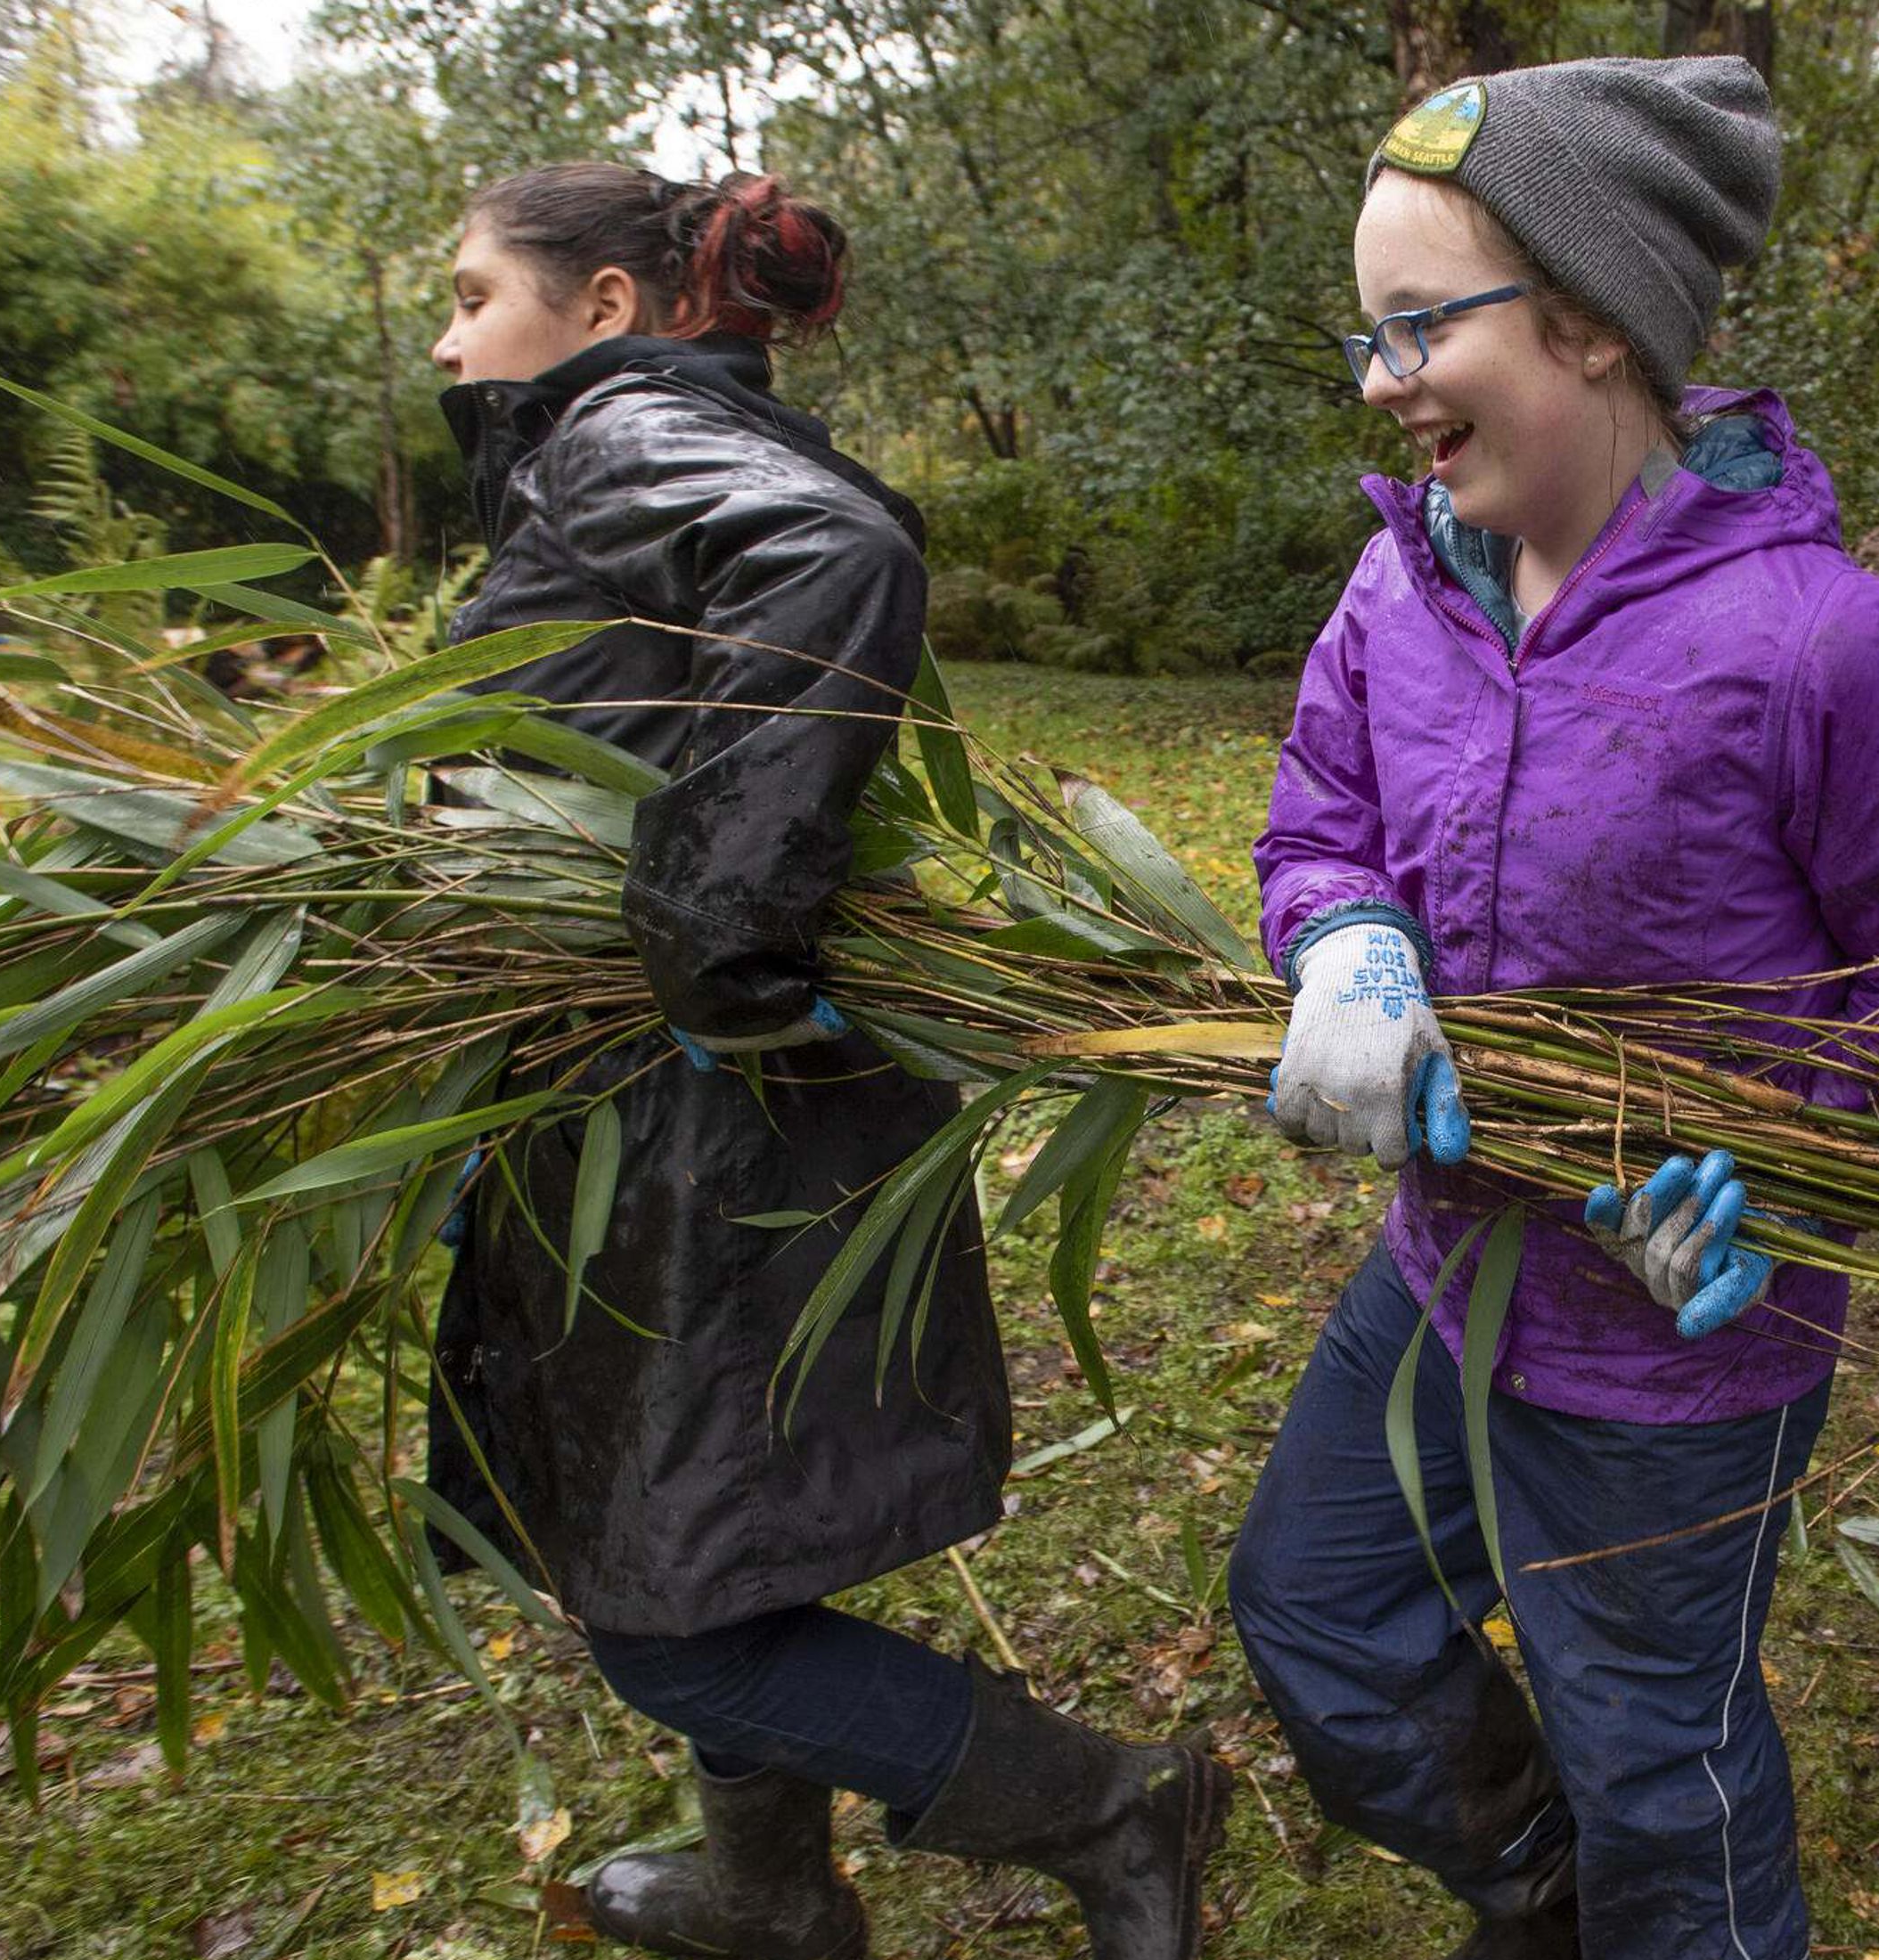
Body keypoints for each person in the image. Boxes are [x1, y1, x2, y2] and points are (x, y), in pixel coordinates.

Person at [1225, 56, 1879, 1960]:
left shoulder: (1823, 644)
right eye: (1369, 332)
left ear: (1590, 323)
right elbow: (1316, 821)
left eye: (1419, 325)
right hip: (1440, 1274)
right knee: (1314, 1607)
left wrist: (1775, 1157)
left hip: (1675, 1351)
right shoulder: (1395, 586)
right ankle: (1543, 1893)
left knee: (1656, 1755)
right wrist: (1343, 939)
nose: (1378, 377)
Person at [425, 162, 1224, 1960]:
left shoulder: (612, 429)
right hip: (682, 1100)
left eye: (476, 292)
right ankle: (770, 1882)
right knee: (700, 1521)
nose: (447, 331)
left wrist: (713, 930)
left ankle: (1114, 1805)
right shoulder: (639, 436)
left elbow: (834, 556)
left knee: (671, 1614)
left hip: (703, 1102)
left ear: (608, 308)